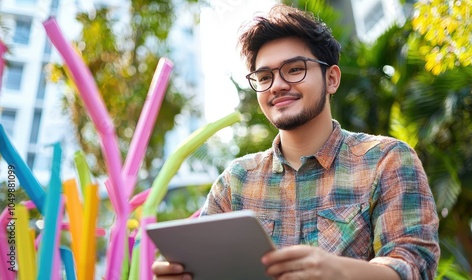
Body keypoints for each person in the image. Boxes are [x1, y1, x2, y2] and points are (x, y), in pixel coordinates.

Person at [152, 4, 440, 280]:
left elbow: (414, 264)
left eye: (294, 69)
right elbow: (205, 263)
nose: (277, 85)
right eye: (264, 76)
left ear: (332, 79)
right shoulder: (236, 181)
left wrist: (338, 273)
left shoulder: (386, 160)